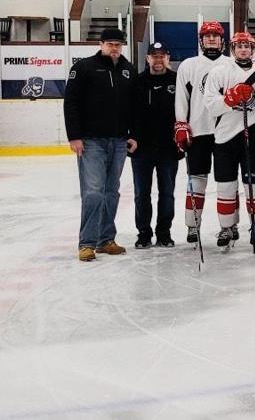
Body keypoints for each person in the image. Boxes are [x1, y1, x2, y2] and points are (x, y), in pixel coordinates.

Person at [64, 28, 138, 261]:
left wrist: (133, 134)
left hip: (118, 141)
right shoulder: (84, 67)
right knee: (93, 192)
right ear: (101, 44)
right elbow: (71, 103)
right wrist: (74, 136)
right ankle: (87, 243)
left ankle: (105, 240)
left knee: (111, 192)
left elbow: (134, 107)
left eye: (118, 44)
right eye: (110, 44)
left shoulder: (128, 70)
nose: (114, 48)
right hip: (91, 141)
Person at [204, 31, 255, 250]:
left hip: (252, 134)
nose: (243, 50)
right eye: (239, 46)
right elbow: (211, 105)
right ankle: (227, 227)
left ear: (253, 50)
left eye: (248, 46)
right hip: (224, 136)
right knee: (226, 186)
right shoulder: (219, 72)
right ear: (232, 49)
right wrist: (229, 98)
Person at [174, 21, 233, 246]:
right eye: (207, 36)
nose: (211, 39)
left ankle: (229, 225)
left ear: (222, 40)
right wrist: (181, 124)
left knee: (227, 182)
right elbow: (182, 97)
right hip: (199, 131)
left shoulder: (231, 64)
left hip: (227, 132)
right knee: (197, 181)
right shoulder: (189, 65)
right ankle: (193, 224)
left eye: (215, 36)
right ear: (201, 40)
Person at [131, 42, 179, 249]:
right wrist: (131, 137)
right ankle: (144, 233)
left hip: (169, 148)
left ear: (168, 58)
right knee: (142, 193)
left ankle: (164, 233)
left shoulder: (177, 81)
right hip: (141, 149)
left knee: (167, 193)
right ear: (147, 58)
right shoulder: (137, 81)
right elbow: (129, 112)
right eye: (154, 56)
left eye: (162, 56)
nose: (158, 60)